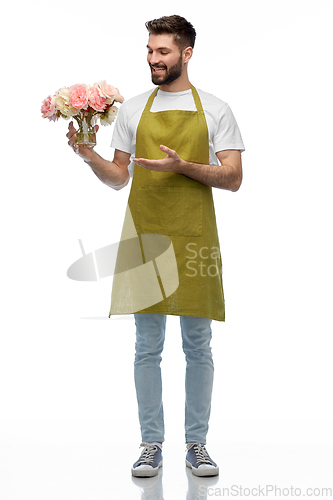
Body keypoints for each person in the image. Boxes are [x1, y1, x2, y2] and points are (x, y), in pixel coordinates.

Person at [67, 15, 245, 478]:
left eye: (163, 51)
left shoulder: (217, 108)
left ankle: (197, 444)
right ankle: (150, 444)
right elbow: (119, 177)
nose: (153, 59)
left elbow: (234, 178)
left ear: (186, 53)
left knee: (198, 344)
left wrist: (184, 166)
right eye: (150, 50)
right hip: (145, 233)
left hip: (194, 235)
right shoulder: (132, 109)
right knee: (147, 345)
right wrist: (90, 157)